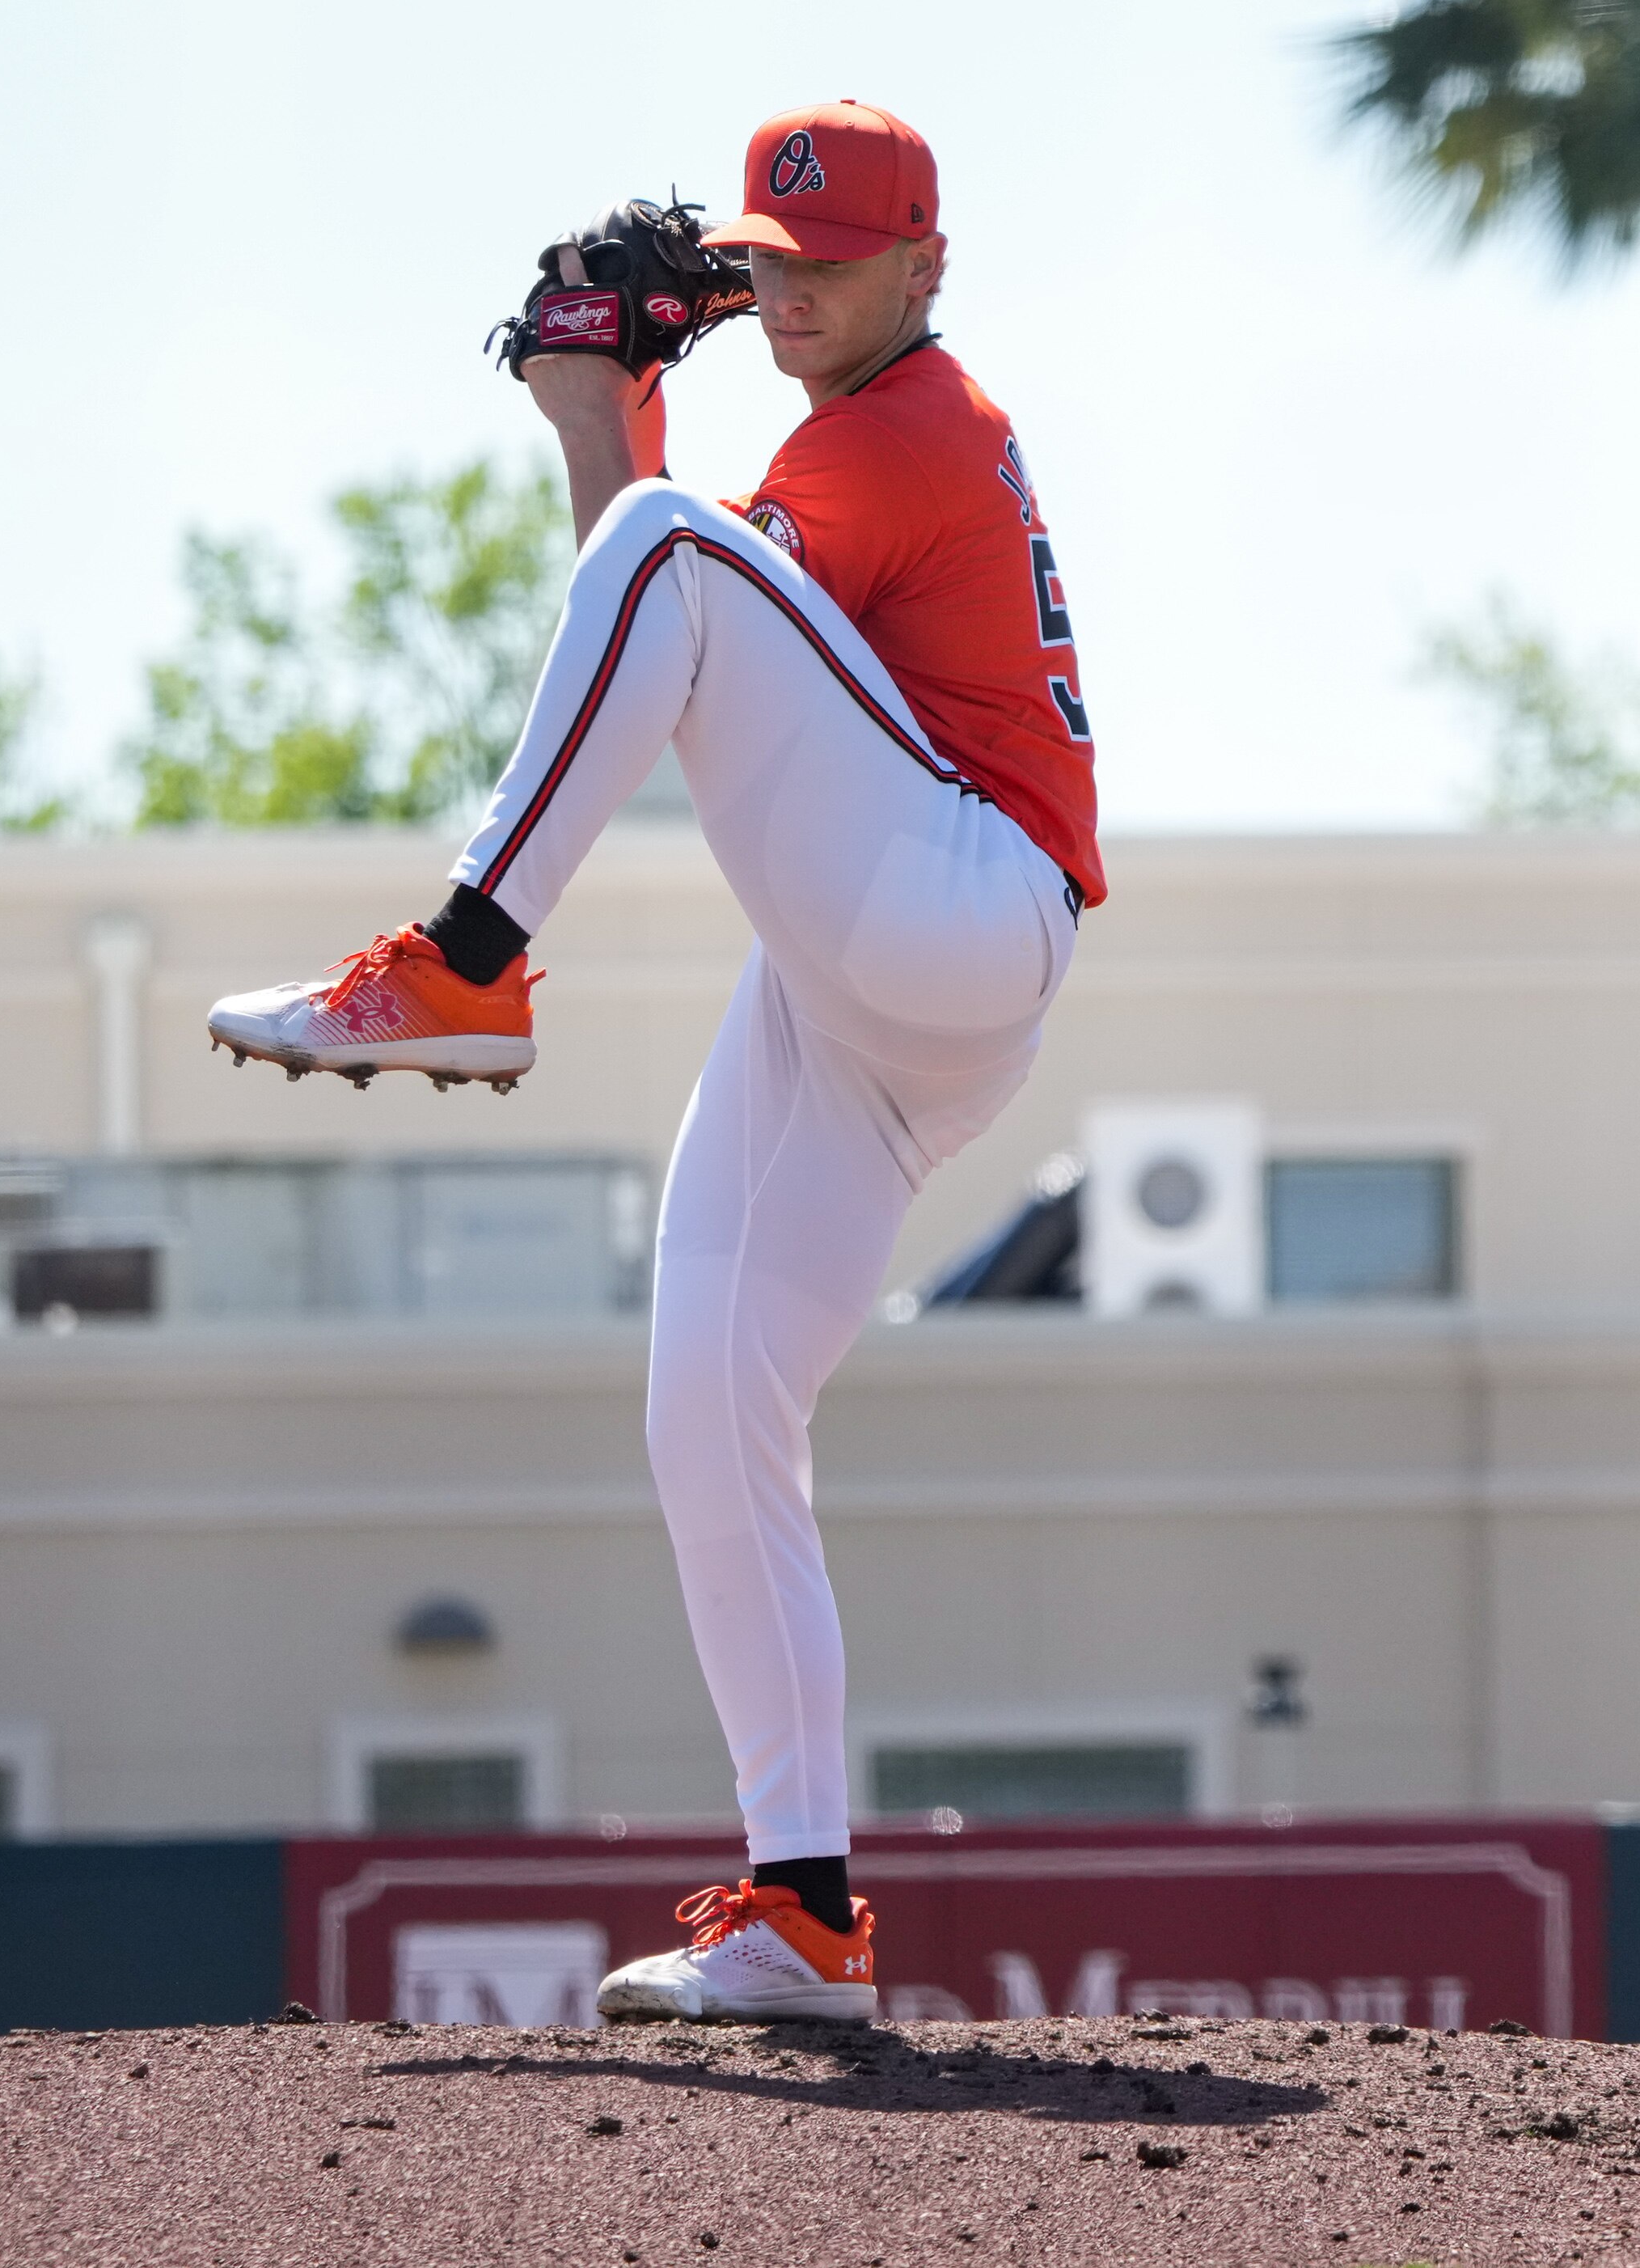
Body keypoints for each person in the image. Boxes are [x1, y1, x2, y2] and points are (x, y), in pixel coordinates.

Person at [205, 100, 1102, 2024]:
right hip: (875, 985)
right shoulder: (829, 434)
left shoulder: (907, 430)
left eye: (833, 265)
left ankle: (463, 960)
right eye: (766, 268)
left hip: (961, 902)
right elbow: (670, 625)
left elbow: (673, 595)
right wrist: (593, 414)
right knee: (706, 1407)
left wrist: (626, 451)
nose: (790, 297)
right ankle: (806, 1914)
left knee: (675, 547)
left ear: (927, 268)